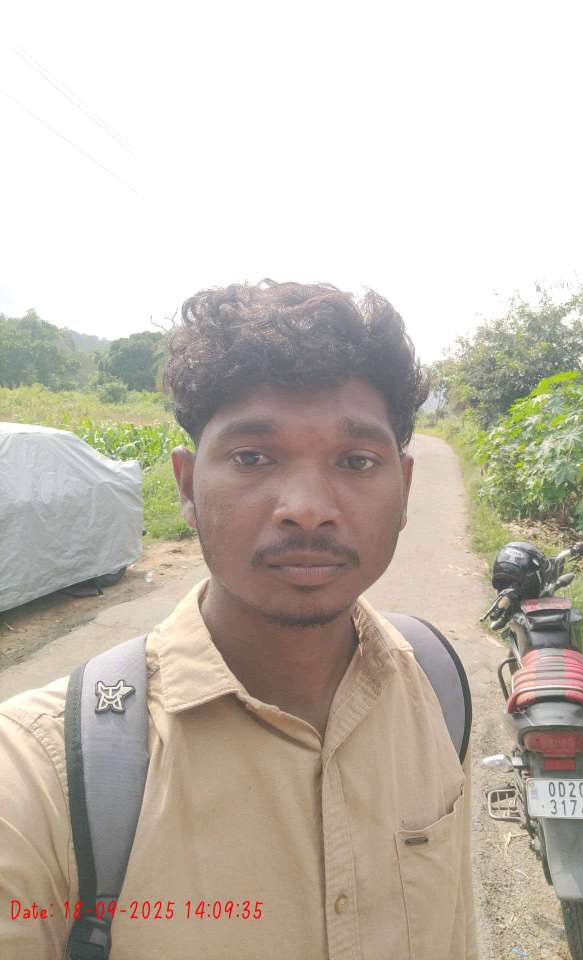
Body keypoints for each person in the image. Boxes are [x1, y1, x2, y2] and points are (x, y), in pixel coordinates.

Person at [0, 280, 478, 959]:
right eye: (253, 457)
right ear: (187, 486)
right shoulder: (43, 773)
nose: (307, 508)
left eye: (356, 461)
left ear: (403, 490)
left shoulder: (438, 687)